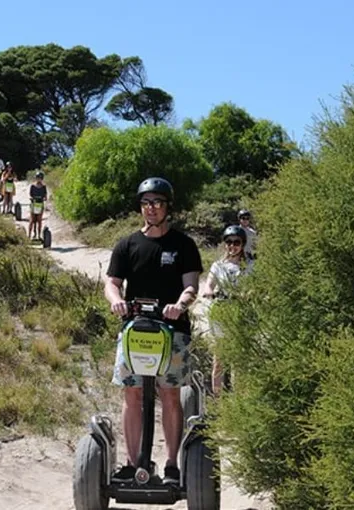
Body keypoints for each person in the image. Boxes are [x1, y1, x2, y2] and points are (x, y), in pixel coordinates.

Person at [104, 177, 202, 486]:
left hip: (172, 331)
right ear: (140, 207)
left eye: (157, 203)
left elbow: (191, 286)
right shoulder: (128, 244)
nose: (151, 208)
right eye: (146, 203)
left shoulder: (183, 244)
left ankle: (172, 465)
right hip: (135, 330)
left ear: (167, 207)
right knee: (131, 394)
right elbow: (112, 283)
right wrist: (117, 301)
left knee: (170, 394)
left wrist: (179, 304)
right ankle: (134, 463)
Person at [199, 225, 251, 394]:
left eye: (236, 242)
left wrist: (248, 293)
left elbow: (256, 286)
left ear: (242, 244)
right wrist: (209, 291)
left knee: (238, 359)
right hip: (221, 312)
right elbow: (209, 284)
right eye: (229, 242)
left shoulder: (249, 265)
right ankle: (218, 402)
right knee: (219, 358)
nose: (232, 246)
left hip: (240, 312)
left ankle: (239, 401)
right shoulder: (218, 265)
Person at [28, 170, 47, 239]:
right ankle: (29, 235)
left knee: (39, 220)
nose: (38, 179)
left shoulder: (44, 187)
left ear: (42, 178)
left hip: (40, 204)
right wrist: (32, 198)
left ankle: (39, 235)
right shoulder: (32, 186)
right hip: (34, 204)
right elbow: (30, 195)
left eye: (40, 178)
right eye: (37, 177)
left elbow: (45, 196)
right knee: (32, 220)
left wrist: (44, 198)